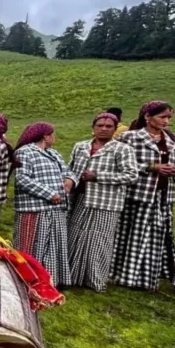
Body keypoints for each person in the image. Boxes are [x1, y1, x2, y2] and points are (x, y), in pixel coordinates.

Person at [111, 101, 175, 291]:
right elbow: (116, 164)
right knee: (129, 234)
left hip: (163, 196)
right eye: (162, 117)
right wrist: (150, 167)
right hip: (137, 195)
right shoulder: (129, 138)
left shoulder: (174, 141)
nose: (166, 121)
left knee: (156, 234)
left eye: (169, 117)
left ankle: (148, 276)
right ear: (147, 117)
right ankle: (121, 274)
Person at [65, 112, 139, 291]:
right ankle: (72, 276)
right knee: (75, 235)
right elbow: (71, 168)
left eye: (108, 126)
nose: (104, 129)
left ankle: (95, 279)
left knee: (99, 240)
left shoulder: (122, 149)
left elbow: (131, 175)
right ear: (93, 128)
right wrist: (69, 180)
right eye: (100, 125)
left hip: (106, 202)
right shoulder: (81, 146)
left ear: (114, 129)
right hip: (81, 199)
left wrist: (98, 176)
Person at [12, 122, 76, 290]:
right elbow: (22, 178)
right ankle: (28, 279)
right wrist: (49, 193)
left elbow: (67, 171)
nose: (54, 138)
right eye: (52, 134)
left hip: (56, 209)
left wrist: (69, 180)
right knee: (32, 244)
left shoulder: (53, 153)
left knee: (54, 244)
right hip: (34, 208)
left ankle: (51, 278)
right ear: (46, 136)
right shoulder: (24, 152)